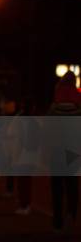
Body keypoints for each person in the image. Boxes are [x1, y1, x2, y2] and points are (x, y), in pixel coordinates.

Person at [47, 71, 80, 232]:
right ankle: (71, 215)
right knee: (72, 184)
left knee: (57, 186)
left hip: (57, 149)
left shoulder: (54, 104)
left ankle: (57, 220)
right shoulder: (78, 103)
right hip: (73, 149)